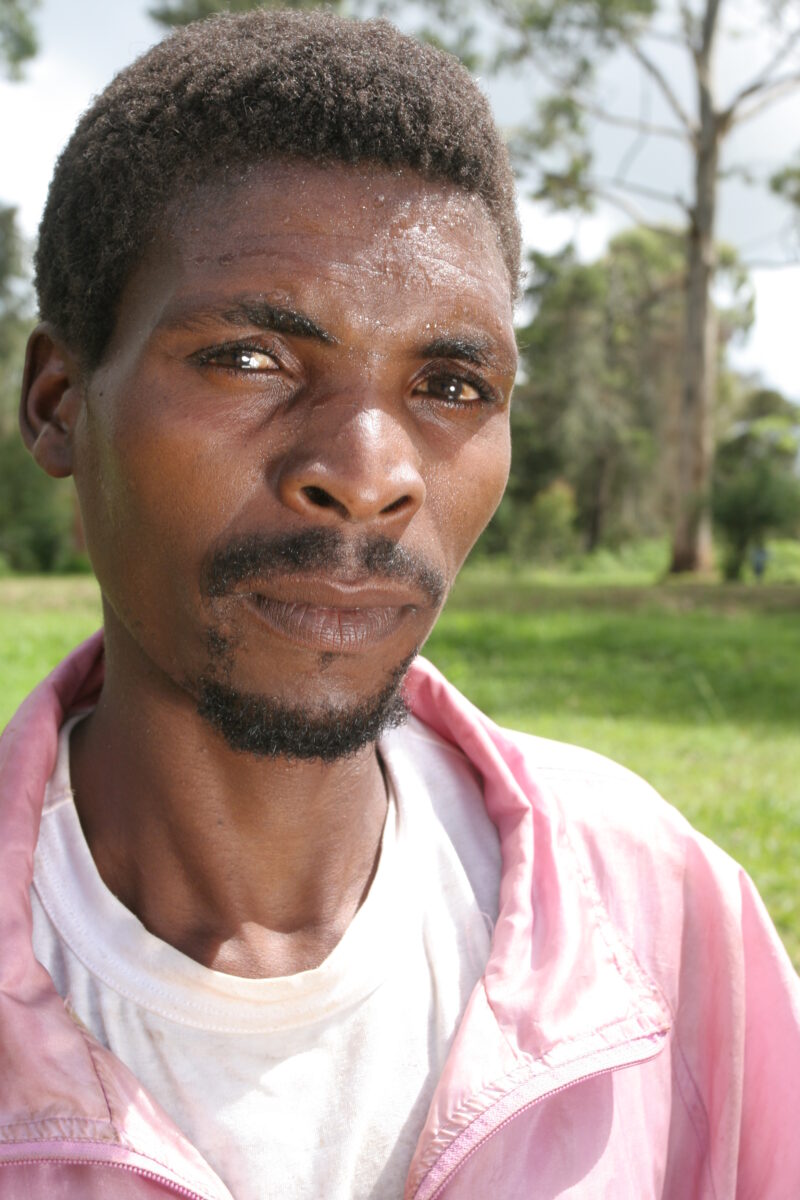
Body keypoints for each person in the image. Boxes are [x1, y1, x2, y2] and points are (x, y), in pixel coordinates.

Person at [0, 10, 798, 1199]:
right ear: (62, 403)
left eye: (448, 383)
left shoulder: (663, 921)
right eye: (252, 358)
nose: (370, 471)